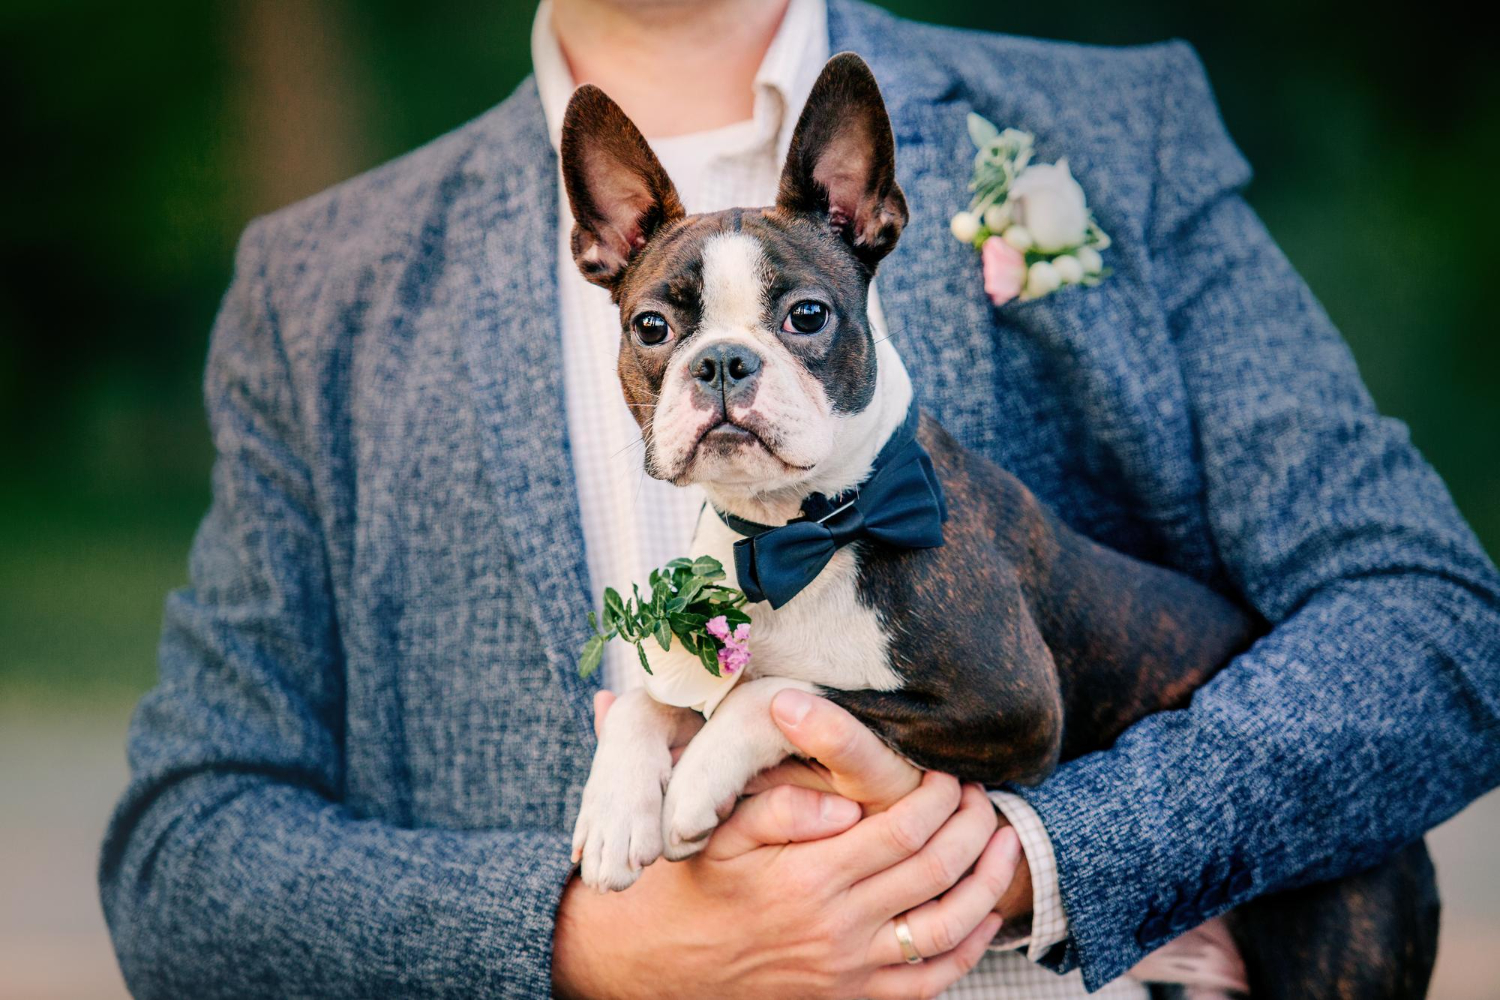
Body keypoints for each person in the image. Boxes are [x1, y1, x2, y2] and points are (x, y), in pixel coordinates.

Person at [98, 0, 1500, 997]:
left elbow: (1439, 630)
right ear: (611, 253)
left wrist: (1050, 858)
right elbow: (181, 863)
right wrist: (590, 946)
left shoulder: (1114, 131)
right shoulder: (318, 284)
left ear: (865, 220)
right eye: (665, 334)